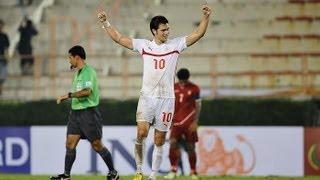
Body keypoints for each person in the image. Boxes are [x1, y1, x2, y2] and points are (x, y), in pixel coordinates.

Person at [97, 4, 211, 180]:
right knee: (141, 133)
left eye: (168, 29)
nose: (167, 32)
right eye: (163, 30)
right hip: (147, 98)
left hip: (167, 99)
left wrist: (205, 17)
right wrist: (106, 23)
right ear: (154, 31)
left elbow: (198, 34)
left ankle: (153, 175)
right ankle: (139, 171)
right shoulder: (144, 45)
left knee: (159, 140)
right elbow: (119, 38)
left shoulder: (176, 45)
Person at [50, 45, 119, 180]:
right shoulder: (78, 73)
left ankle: (113, 172)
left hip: (89, 114)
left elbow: (87, 92)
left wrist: (68, 95)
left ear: (77, 57)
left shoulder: (89, 72)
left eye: (70, 58)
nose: (69, 61)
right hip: (75, 114)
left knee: (97, 145)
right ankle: (66, 175)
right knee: (70, 143)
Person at [164, 68, 201, 179]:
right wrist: (168, 120)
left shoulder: (195, 88)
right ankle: (173, 170)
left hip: (189, 122)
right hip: (176, 122)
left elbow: (198, 106)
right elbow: (168, 104)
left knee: (190, 147)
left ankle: (193, 172)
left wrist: (195, 122)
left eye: (184, 81)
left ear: (187, 79)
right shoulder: (173, 87)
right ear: (178, 79)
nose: (182, 83)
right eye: (181, 81)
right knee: (173, 143)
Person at [0, 19, 10, 96]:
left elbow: (6, 48)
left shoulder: (4, 36)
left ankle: (1, 91)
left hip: (3, 59)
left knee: (3, 76)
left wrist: (7, 57)